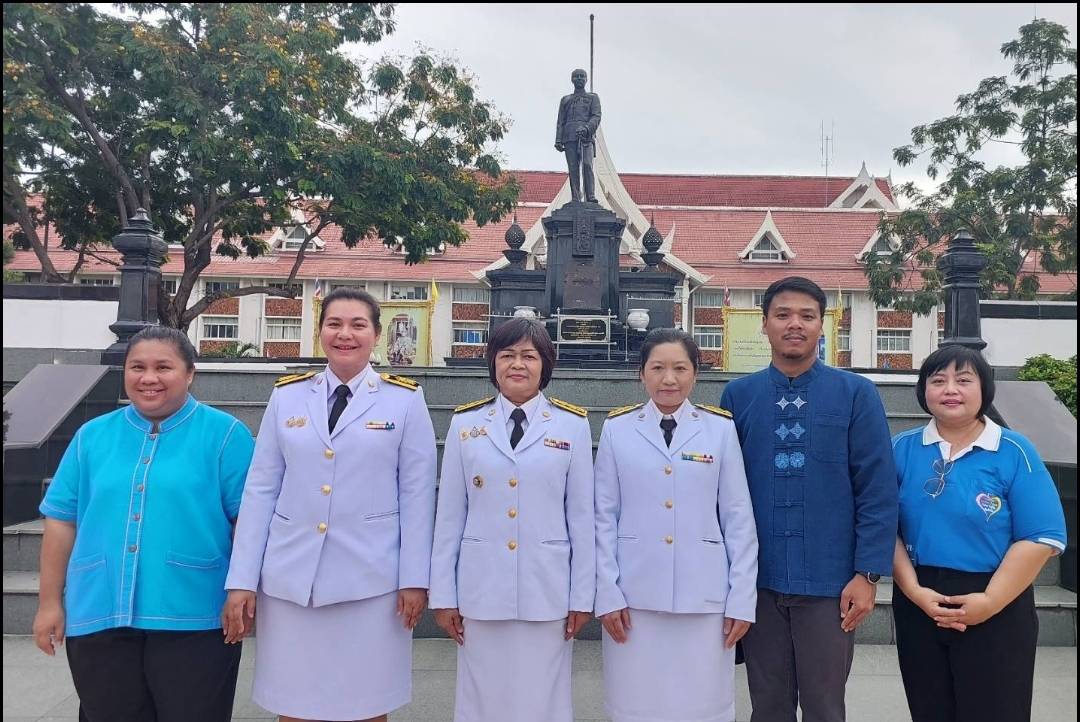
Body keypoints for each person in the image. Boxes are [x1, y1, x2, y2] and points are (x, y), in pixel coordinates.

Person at [223, 288, 437, 722]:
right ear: (319, 331)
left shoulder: (404, 400)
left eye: (358, 325)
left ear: (376, 334)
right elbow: (261, 489)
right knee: (295, 704)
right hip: (292, 579)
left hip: (371, 581)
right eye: (334, 324)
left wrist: (415, 578)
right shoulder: (287, 396)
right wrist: (242, 578)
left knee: (366, 704)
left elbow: (417, 495)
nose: (345, 334)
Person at [32, 326, 255, 722]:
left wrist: (242, 590)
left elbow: (249, 523)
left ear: (190, 374)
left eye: (163, 367)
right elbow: (61, 521)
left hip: (194, 616)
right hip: (99, 612)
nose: (148, 378)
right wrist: (50, 602)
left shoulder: (225, 436)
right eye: (137, 367)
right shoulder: (91, 437)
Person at [720, 276, 898, 722]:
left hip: (830, 584)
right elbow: (722, 491)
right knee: (768, 705)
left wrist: (868, 573)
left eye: (807, 315)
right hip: (759, 582)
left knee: (824, 707)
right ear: (764, 324)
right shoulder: (738, 396)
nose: (794, 324)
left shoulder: (856, 394)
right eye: (782, 315)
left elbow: (877, 489)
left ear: (824, 325)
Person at [430, 318, 595, 722]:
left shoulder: (572, 426)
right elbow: (450, 515)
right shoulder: (465, 425)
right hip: (481, 589)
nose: (517, 365)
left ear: (545, 365)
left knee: (546, 700)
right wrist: (443, 595)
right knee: (481, 699)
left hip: (548, 589)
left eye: (528, 356)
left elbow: (582, 517)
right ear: (492, 363)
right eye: (506, 355)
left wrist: (581, 596)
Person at [891, 345, 1066, 722]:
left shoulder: (1015, 450)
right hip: (920, 600)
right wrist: (915, 591)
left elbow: (1041, 536)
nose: (950, 389)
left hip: (997, 598)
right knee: (929, 709)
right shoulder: (901, 450)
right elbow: (882, 527)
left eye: (963, 380)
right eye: (938, 381)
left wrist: (989, 601)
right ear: (923, 392)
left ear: (984, 389)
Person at [595, 328, 758, 722]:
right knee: (636, 704)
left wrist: (741, 598)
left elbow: (737, 517)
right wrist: (607, 592)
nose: (669, 379)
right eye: (658, 368)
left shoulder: (719, 430)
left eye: (680, 368)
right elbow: (602, 517)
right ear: (642, 374)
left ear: (695, 374)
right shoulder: (617, 430)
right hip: (634, 595)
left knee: (702, 705)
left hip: (704, 598)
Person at [555, 68, 602, 203]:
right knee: (573, 168)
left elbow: (596, 116)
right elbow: (560, 121)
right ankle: (575, 197)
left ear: (586, 79)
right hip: (569, 136)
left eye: (582, 76)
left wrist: (587, 128)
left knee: (587, 165)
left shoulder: (593, 98)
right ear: (572, 80)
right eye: (576, 76)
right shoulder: (565, 99)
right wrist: (558, 139)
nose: (579, 78)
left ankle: (590, 196)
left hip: (586, 136)